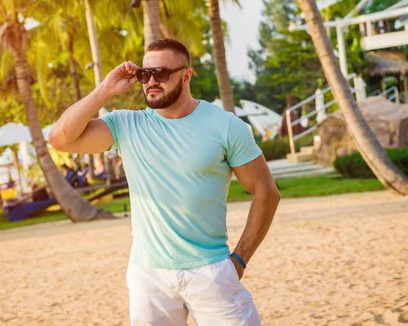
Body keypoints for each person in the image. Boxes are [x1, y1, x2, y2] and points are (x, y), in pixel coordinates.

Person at [48, 38, 281, 325]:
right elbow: (60, 138)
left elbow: (266, 192)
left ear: (186, 76)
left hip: (211, 271)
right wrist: (106, 89)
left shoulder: (226, 126)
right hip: (148, 277)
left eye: (161, 73)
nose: (151, 82)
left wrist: (239, 261)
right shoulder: (127, 126)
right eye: (145, 74)